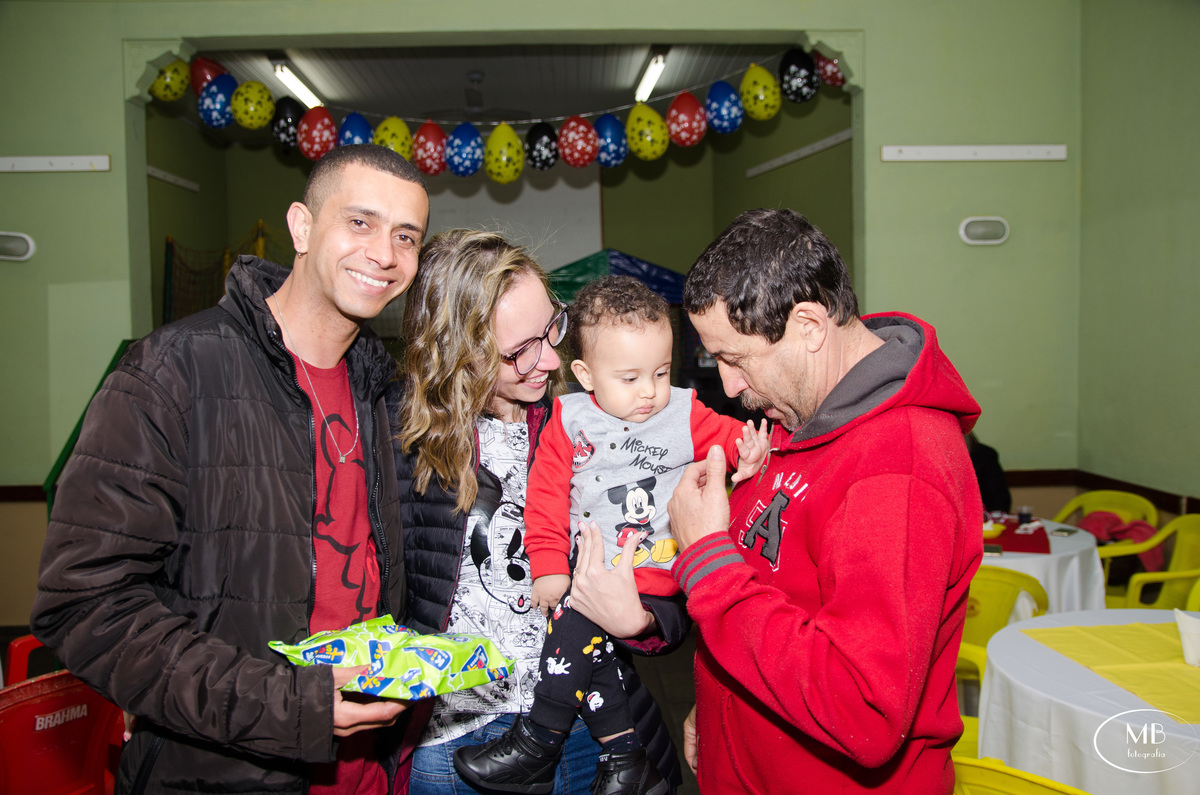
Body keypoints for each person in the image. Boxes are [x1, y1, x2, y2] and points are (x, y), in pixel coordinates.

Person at [31, 143, 428, 793]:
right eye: (360, 222)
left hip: (372, 772)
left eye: (406, 236)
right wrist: (292, 706)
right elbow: (85, 606)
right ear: (302, 226)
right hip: (223, 773)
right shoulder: (172, 372)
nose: (384, 253)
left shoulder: (382, 390)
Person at [667, 209, 985, 794]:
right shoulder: (799, 413)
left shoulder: (899, 467)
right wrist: (717, 706)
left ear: (810, 325)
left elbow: (862, 709)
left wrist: (708, 561)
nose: (729, 386)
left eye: (735, 359)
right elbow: (776, 586)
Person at [393, 233, 689, 795]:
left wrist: (646, 622)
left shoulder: (588, 425)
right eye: (520, 350)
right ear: (456, 349)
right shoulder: (395, 440)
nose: (550, 359)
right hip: (460, 740)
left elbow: (662, 556)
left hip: (593, 729)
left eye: (552, 327)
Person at [453, 275, 767, 794]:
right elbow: (546, 500)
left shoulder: (682, 412)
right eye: (630, 377)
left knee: (572, 634)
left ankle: (540, 738)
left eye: (661, 372)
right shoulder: (568, 421)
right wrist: (551, 568)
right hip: (593, 576)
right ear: (585, 374)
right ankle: (625, 759)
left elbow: (729, 439)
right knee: (586, 650)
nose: (649, 392)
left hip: (659, 575)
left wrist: (748, 450)